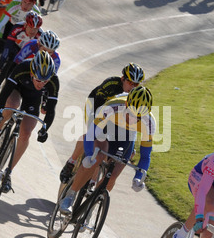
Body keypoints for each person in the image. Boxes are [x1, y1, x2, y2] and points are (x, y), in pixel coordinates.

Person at [59, 85, 155, 217]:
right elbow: (92, 134)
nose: (133, 119)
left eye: (138, 118)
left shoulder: (149, 122)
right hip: (106, 127)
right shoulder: (112, 107)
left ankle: (90, 209)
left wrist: (138, 178)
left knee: (112, 176)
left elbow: (145, 156)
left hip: (126, 137)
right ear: (126, 104)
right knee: (96, 158)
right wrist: (88, 156)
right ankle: (70, 196)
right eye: (131, 114)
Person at [0, 51, 59, 193]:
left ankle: (8, 173)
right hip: (16, 89)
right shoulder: (22, 68)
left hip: (33, 98)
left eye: (45, 81)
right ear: (32, 73)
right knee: (12, 104)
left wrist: (45, 129)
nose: (41, 84)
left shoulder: (53, 80)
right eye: (38, 80)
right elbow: (4, 94)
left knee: (26, 134)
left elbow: (51, 110)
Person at [60, 63, 146, 183]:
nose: (133, 86)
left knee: (109, 146)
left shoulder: (138, 94)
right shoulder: (110, 85)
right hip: (96, 106)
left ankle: (93, 181)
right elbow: (98, 108)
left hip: (113, 116)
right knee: (94, 136)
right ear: (123, 79)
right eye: (130, 83)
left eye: (136, 84)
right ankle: (71, 161)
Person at [0, 11, 43, 95]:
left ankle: (0, 84)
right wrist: (0, 65)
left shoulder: (40, 36)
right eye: (30, 27)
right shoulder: (17, 27)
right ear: (25, 25)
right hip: (15, 45)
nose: (33, 31)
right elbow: (8, 47)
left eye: (35, 29)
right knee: (10, 59)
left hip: (28, 50)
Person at [0, 0, 40, 86]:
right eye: (24, 2)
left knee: (11, 60)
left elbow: (33, 32)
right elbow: (1, 22)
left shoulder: (36, 12)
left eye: (29, 4)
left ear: (34, 4)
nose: (26, 6)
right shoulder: (14, 4)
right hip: (9, 26)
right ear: (21, 0)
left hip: (22, 32)